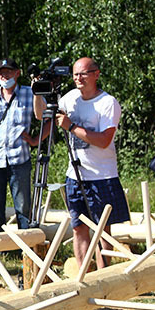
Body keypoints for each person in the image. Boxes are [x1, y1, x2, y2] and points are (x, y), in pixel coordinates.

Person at [37, 57, 129, 271]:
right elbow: (42, 116)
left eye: (84, 73)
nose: (78, 78)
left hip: (101, 176)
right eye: (75, 74)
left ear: (96, 74)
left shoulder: (107, 103)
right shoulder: (70, 98)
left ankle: (105, 277)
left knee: (102, 230)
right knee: (78, 228)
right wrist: (38, 93)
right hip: (75, 176)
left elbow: (105, 140)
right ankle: (83, 276)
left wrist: (71, 127)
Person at [0, 59, 37, 232]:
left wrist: (36, 141)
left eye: (9, 72)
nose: (5, 76)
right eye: (1, 72)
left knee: (23, 208)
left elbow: (49, 117)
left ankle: (25, 248)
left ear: (17, 73)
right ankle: (0, 248)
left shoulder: (30, 94)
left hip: (19, 159)